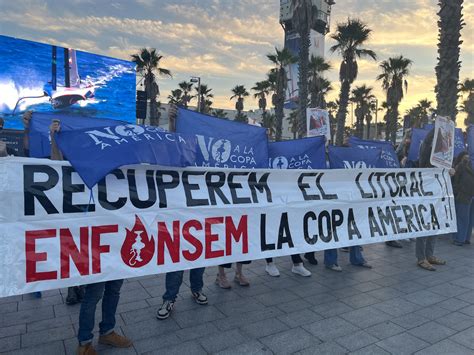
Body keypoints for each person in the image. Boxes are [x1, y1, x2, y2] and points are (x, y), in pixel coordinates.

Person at [48, 121, 132, 354]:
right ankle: (84, 342)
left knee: (114, 290)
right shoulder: (85, 167)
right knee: (94, 293)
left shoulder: (124, 171)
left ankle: (107, 332)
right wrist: (55, 139)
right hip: (95, 241)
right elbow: (58, 169)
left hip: (118, 239)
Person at [416, 129, 448, 271]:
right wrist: (439, 126)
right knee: (424, 228)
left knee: (434, 227)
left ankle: (430, 255)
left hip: (438, 197)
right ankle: (421, 258)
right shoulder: (425, 158)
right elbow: (428, 142)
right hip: (425, 197)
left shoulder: (442, 160)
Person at [451, 152, 474, 245]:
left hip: (463, 195)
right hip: (470, 195)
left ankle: (459, 239)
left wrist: (456, 192)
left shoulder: (459, 167)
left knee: (461, 218)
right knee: (468, 218)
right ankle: (466, 238)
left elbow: (455, 182)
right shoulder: (471, 167)